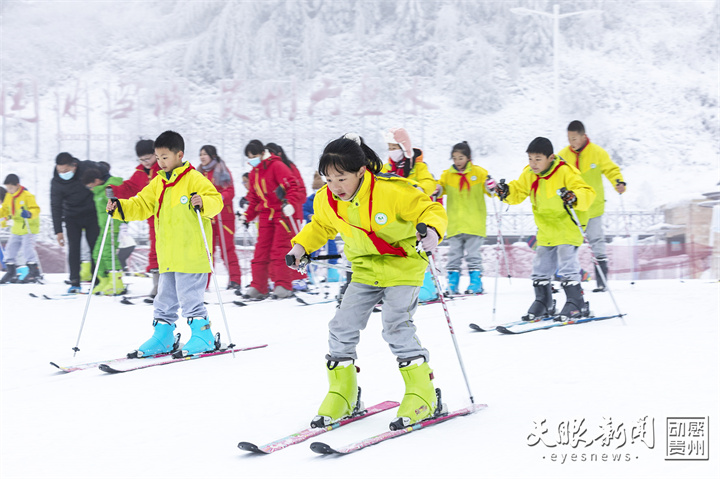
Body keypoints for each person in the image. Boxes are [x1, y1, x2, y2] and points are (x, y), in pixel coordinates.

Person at [286, 133, 449, 430]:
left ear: (361, 171)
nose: (335, 187)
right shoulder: (327, 199)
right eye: (328, 179)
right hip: (363, 269)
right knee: (341, 326)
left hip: (403, 265)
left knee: (396, 325)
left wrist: (432, 231)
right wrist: (300, 247)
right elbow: (320, 226)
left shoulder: (392, 191)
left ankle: (424, 394)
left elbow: (430, 209)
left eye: (341, 178)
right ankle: (344, 394)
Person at [106, 130, 224, 357]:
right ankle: (163, 335)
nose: (160, 163)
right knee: (165, 299)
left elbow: (216, 202)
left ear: (179, 154)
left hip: (192, 255)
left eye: (164, 157)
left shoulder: (194, 179)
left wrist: (204, 202)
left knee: (190, 298)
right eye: (157, 158)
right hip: (168, 256)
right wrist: (120, 207)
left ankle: (203, 335)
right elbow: (141, 204)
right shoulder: (158, 182)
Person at [494, 137, 595, 321]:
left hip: (567, 225)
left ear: (550, 157)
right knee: (541, 266)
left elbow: (587, 192)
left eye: (538, 159)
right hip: (546, 228)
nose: (533, 164)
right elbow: (518, 190)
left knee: (567, 264)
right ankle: (544, 301)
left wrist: (574, 196)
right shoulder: (530, 174)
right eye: (530, 159)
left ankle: (576, 302)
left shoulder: (566, 172)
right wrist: (507, 191)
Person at [558, 121, 627, 292]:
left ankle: (602, 281)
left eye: (574, 138)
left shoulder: (597, 153)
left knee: (597, 242)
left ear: (583, 136)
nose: (571, 142)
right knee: (569, 243)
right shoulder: (563, 155)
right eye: (568, 138)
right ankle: (569, 280)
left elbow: (611, 170)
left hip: (593, 207)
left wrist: (618, 182)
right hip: (573, 209)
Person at [242, 139, 305, 300]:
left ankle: (283, 285)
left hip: (281, 214)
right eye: (249, 157)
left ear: (263, 153)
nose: (252, 160)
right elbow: (255, 198)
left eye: (254, 155)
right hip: (265, 216)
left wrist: (289, 203)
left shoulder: (277, 166)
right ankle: (259, 286)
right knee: (261, 251)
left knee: (280, 249)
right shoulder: (254, 173)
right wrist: (246, 216)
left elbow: (293, 186)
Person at [435, 141, 493, 298]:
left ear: (468, 157)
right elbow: (440, 189)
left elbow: (490, 191)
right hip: (455, 224)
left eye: (460, 157)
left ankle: (476, 283)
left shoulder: (479, 173)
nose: (457, 161)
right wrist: (436, 189)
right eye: (454, 158)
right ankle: (452, 283)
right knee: (454, 255)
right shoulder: (447, 175)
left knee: (473, 255)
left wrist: (491, 185)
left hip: (474, 223)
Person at [111, 139, 161, 298]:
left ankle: (177, 287)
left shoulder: (165, 168)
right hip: (153, 219)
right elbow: (129, 188)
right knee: (155, 251)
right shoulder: (139, 173)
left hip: (173, 217)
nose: (146, 162)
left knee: (173, 252)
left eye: (148, 158)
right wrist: (114, 191)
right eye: (142, 160)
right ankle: (158, 287)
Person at [51, 152, 104, 293]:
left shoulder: (87, 167)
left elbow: (105, 171)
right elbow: (55, 205)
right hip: (72, 217)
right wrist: (58, 231)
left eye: (66, 170)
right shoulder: (56, 181)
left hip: (92, 215)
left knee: (95, 247)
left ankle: (97, 280)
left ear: (74, 166)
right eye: (60, 170)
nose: (63, 173)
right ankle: (75, 281)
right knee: (74, 248)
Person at [198, 145, 242, 290]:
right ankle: (204, 283)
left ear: (212, 155)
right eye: (200, 154)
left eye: (205, 154)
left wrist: (220, 198)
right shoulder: (198, 173)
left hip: (224, 216)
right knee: (206, 251)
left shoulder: (222, 170)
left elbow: (230, 191)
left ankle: (235, 280)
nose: (202, 157)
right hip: (207, 217)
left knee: (227, 249)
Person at [266, 142, 309, 291]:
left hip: (291, 214)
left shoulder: (289, 167)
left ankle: (300, 278)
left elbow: (301, 192)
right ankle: (278, 278)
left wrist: (289, 201)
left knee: (293, 245)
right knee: (275, 249)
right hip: (276, 215)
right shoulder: (267, 171)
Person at [82, 167, 125, 295]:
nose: (91, 189)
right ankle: (104, 280)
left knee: (108, 253)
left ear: (96, 180)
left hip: (114, 227)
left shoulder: (111, 186)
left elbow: (123, 204)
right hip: (104, 228)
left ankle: (117, 282)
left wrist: (123, 225)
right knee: (96, 254)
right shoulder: (98, 192)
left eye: (91, 186)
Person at [0, 174, 41, 283]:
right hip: (16, 228)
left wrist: (29, 213)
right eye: (7, 188)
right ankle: (11, 271)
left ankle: (34, 272)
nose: (9, 190)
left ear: (17, 185)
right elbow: (4, 210)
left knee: (27, 250)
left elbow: (36, 209)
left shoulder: (27, 196)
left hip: (29, 228)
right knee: (10, 249)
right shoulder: (9, 196)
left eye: (11, 188)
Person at [303, 172, 340, 284]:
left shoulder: (328, 197)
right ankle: (310, 274)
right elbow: (303, 210)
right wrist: (308, 215)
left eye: (318, 188)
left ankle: (332, 272)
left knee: (331, 248)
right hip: (313, 230)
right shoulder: (309, 200)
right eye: (315, 189)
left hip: (327, 228)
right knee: (311, 251)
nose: (316, 191)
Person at [381, 127, 437, 195]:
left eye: (394, 148)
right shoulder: (385, 168)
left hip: (411, 203)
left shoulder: (418, 166)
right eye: (390, 148)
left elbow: (429, 182)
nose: (392, 151)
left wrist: (421, 189)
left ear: (404, 148)